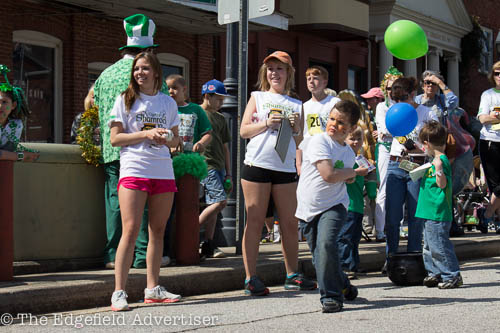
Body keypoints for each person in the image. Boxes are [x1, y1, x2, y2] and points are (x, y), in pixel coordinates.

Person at [94, 14, 168, 269]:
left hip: (111, 147)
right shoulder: (152, 73)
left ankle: (113, 256)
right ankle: (140, 257)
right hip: (143, 152)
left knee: (116, 206)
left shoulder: (105, 74)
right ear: (148, 50)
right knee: (143, 209)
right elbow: (165, 111)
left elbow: (91, 104)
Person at [109, 52, 181, 311]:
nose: (140, 73)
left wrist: (166, 139)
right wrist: (145, 133)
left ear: (156, 73)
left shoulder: (168, 103)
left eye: (145, 69)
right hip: (134, 169)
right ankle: (119, 291)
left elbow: (177, 141)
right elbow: (115, 139)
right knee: (129, 230)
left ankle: (153, 288)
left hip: (162, 170)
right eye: (137, 69)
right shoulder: (125, 100)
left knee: (158, 231)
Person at [240, 51, 316, 296]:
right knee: (254, 222)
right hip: (257, 164)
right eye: (271, 68)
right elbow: (243, 131)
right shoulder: (258, 97)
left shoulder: (297, 104)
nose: (274, 73)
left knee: (290, 224)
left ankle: (292, 274)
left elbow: (300, 139)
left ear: (288, 73)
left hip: (284, 167)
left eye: (280, 69)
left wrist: (294, 128)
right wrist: (266, 123)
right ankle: (251, 277)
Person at [297, 100, 366, 313]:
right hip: (309, 207)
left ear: (352, 128)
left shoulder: (347, 152)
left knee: (327, 245)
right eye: (332, 119)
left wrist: (351, 174)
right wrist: (354, 172)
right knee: (320, 257)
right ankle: (343, 284)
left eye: (341, 122)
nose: (334, 125)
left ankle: (331, 297)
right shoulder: (320, 141)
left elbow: (345, 179)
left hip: (335, 205)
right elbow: (329, 175)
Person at [384, 77, 437, 268]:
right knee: (392, 215)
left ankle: (414, 258)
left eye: (402, 98)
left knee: (415, 215)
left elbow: (434, 140)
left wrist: (418, 148)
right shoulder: (393, 110)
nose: (398, 103)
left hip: (417, 164)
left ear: (412, 94)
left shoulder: (426, 113)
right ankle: (391, 258)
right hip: (396, 164)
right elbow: (386, 129)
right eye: (395, 98)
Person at [416, 120, 463, 289]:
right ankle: (433, 273)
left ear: (427, 143)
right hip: (428, 209)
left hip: (437, 210)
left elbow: (442, 184)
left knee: (439, 245)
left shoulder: (440, 161)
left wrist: (439, 170)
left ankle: (451, 274)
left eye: (423, 144)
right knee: (428, 245)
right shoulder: (433, 159)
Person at [198, 79, 232, 259]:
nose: (221, 103)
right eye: (218, 99)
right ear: (207, 96)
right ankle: (190, 232)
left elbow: (225, 147)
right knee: (220, 202)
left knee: (214, 205)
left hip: (219, 166)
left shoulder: (220, 118)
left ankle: (208, 244)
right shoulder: (198, 112)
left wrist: (228, 173)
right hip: (206, 164)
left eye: (222, 99)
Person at [339, 127, 376, 278]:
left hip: (358, 205)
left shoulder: (362, 159)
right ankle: (344, 265)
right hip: (347, 204)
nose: (355, 142)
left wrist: (372, 189)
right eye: (352, 139)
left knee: (354, 238)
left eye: (358, 139)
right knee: (345, 237)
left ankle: (353, 264)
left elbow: (371, 176)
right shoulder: (343, 159)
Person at [374, 66, 403, 242]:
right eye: (389, 88)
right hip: (386, 149)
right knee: (384, 187)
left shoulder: (405, 104)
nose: (392, 91)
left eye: (396, 87)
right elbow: (384, 130)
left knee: (402, 188)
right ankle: (379, 229)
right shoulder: (381, 107)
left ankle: (397, 228)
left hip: (402, 150)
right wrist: (396, 131)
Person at [477, 60, 500, 233]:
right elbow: (483, 119)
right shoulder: (488, 95)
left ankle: (487, 214)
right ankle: (488, 214)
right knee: (497, 186)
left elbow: (490, 117)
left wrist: (495, 116)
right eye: (497, 73)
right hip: (490, 142)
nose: (499, 77)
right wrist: (492, 117)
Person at [0, 64, 38, 162]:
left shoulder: (16, 125)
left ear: (13, 105)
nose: (0, 106)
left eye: (4, 102)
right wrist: (21, 156)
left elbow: (8, 150)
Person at [166, 74, 212, 153]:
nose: (170, 91)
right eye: (168, 88)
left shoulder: (196, 109)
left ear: (184, 89)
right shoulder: (164, 110)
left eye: (174, 88)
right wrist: (169, 148)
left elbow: (208, 134)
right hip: (168, 159)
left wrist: (201, 143)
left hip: (191, 159)